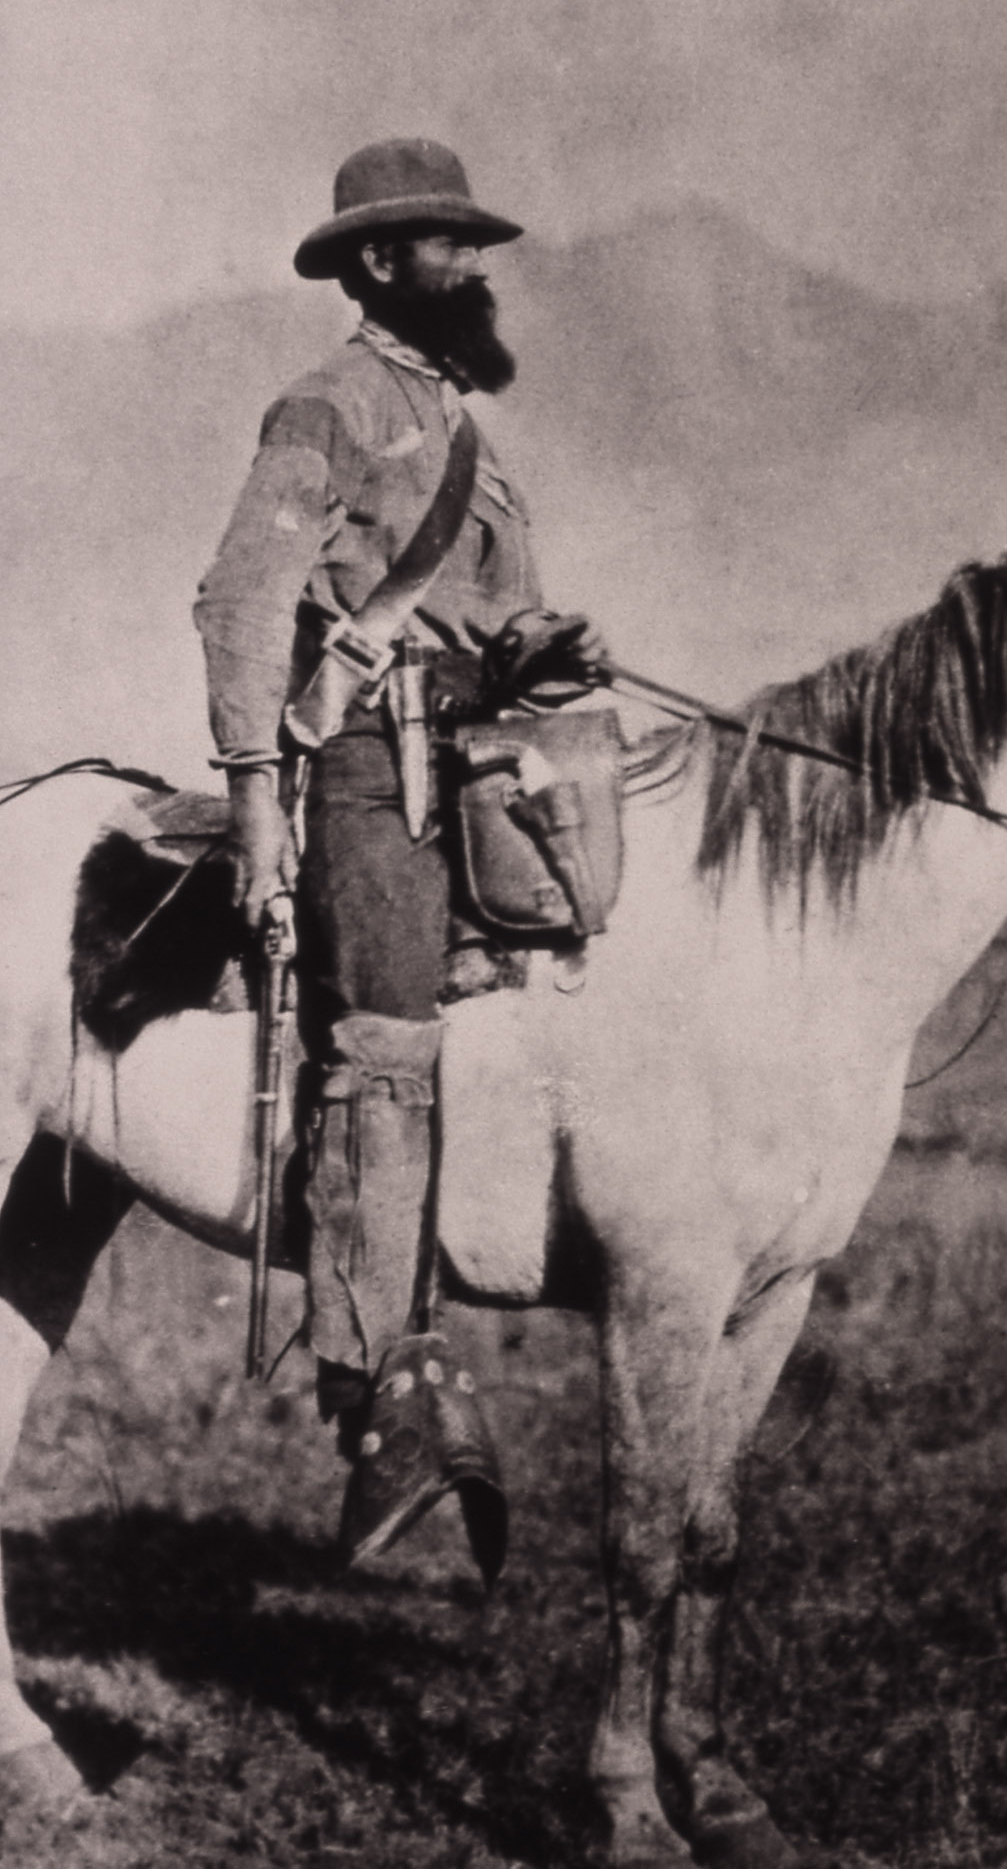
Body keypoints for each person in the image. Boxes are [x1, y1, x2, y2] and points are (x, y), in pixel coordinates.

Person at [194, 138, 602, 1568]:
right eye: (450, 244)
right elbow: (244, 600)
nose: (475, 267)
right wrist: (256, 795)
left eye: (475, 244)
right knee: (382, 1047)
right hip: (369, 772)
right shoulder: (327, 407)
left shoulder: (459, 424)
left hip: (478, 765)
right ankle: (376, 1388)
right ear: (379, 261)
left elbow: (487, 618)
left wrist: (538, 650)